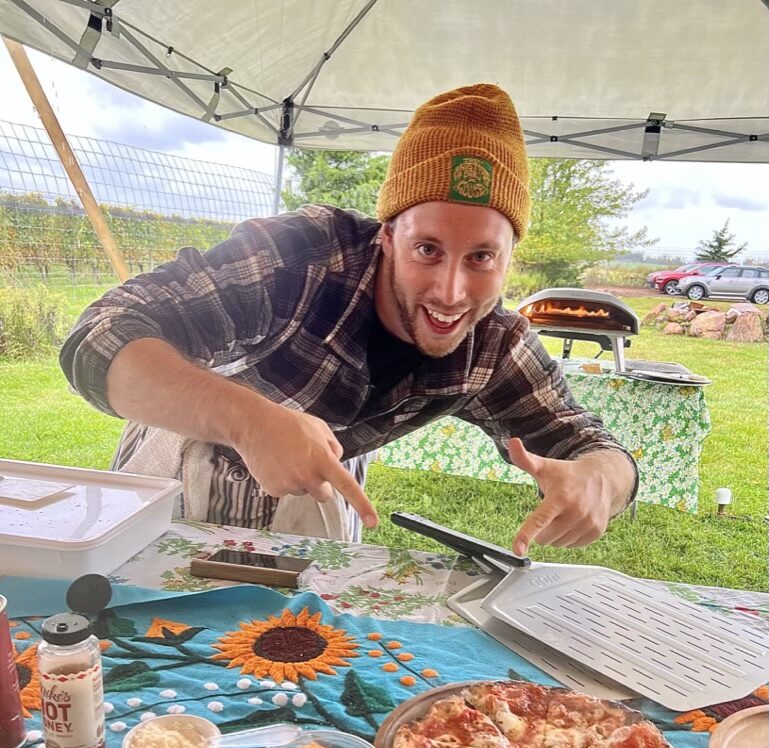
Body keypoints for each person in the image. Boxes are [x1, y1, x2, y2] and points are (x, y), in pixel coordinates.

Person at [60, 83, 637, 554]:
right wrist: (249, 422)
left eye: (481, 257)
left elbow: (588, 441)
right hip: (181, 462)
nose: (451, 292)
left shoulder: (495, 346)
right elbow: (100, 336)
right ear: (388, 235)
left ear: (511, 257)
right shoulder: (301, 255)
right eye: (427, 249)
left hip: (323, 496)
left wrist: (601, 481)